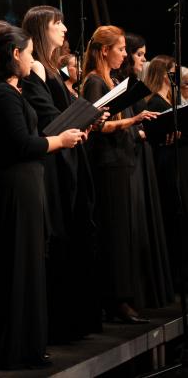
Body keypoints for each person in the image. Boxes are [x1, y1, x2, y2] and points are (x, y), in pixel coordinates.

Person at [0, 26, 83, 369]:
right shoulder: (2, 95)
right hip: (14, 190)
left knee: (29, 266)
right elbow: (22, 144)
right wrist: (59, 142)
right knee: (17, 267)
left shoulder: (13, 92)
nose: (31, 59)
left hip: (26, 186)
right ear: (15, 54)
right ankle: (13, 348)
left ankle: (28, 345)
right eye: (28, 53)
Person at [22, 5, 101, 341]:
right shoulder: (37, 67)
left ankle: (76, 319)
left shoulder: (53, 68)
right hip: (54, 164)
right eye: (58, 23)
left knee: (77, 230)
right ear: (43, 28)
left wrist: (88, 117)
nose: (65, 29)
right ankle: (62, 323)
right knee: (62, 235)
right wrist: (81, 117)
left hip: (68, 157)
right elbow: (46, 116)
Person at [82, 26, 158, 322]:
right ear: (104, 50)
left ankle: (123, 295)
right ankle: (115, 299)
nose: (125, 55)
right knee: (114, 232)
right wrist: (133, 120)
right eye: (121, 49)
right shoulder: (93, 81)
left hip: (122, 159)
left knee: (124, 231)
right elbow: (97, 126)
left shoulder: (111, 80)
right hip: (108, 163)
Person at [114, 36, 174, 307]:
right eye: (137, 54)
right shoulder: (121, 83)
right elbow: (124, 121)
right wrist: (139, 129)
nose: (142, 59)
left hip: (142, 153)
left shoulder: (131, 83)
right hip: (131, 156)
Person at [146, 55, 188, 282]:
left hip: (175, 159)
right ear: (165, 75)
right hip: (165, 163)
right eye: (174, 72)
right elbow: (154, 135)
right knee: (173, 213)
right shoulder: (155, 102)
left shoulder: (169, 99)